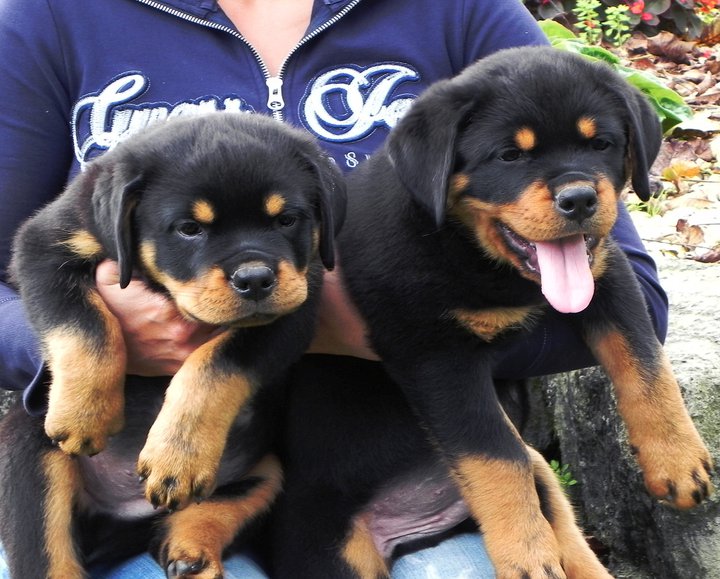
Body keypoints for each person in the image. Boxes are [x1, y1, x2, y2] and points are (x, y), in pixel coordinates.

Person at [0, 0, 668, 577]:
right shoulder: (50, 16)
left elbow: (622, 282)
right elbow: (28, 261)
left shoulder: (462, 11)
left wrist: (387, 333)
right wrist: (93, 346)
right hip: (141, 469)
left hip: (397, 464)